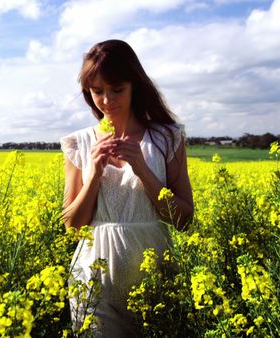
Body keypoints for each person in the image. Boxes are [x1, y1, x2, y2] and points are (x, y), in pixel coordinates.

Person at [60, 39, 194, 337]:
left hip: (155, 275)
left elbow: (184, 220)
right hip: (94, 280)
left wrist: (144, 171)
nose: (106, 100)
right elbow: (72, 224)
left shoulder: (166, 138)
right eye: (97, 91)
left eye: (116, 89)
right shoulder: (78, 143)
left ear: (135, 85)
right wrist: (93, 173)